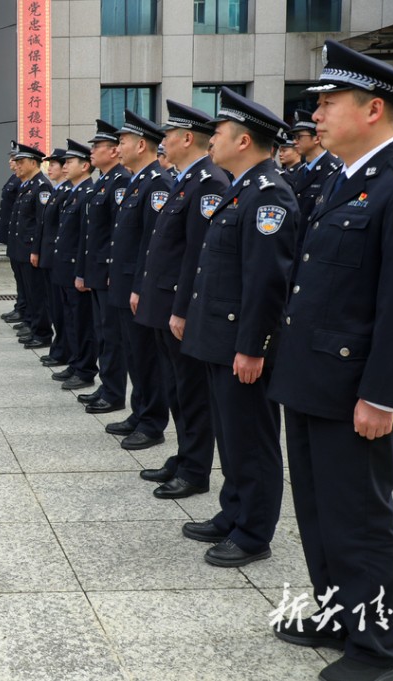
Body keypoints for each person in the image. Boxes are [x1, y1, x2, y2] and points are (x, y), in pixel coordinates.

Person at [268, 41, 393, 681]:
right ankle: (336, 613)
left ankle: (377, 651)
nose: (316, 113)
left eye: (329, 102)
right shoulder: (344, 179)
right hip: (312, 379)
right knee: (318, 511)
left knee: (360, 518)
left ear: (374, 108)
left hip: (356, 392)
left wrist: (382, 395)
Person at [180, 87, 297, 568]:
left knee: (252, 438)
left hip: (241, 345)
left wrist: (253, 347)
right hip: (219, 341)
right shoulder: (241, 188)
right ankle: (233, 512)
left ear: (244, 140)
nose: (211, 143)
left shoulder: (269, 197)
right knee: (230, 435)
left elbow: (267, 283)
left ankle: (253, 532)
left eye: (219, 134)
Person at [134, 100, 227, 499]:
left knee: (190, 391)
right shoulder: (184, 179)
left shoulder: (209, 183)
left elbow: (198, 253)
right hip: (164, 303)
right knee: (175, 387)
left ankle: (195, 468)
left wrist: (182, 308)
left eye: (168, 137)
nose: (162, 145)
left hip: (178, 306)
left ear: (187, 138)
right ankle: (184, 454)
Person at [103, 110, 172, 451]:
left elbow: (153, 243)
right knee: (133, 353)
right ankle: (138, 412)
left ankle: (152, 422)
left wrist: (140, 288)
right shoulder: (137, 181)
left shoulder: (157, 184)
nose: (118, 148)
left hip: (137, 287)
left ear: (141, 145)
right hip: (124, 284)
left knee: (147, 357)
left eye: (123, 142)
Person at [75, 119, 131, 410]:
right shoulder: (104, 182)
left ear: (113, 152)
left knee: (111, 335)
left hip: (108, 272)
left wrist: (109, 270)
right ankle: (106, 387)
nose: (92, 151)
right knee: (102, 333)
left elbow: (116, 233)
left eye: (97, 146)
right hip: (97, 270)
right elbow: (92, 233)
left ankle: (114, 393)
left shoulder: (121, 182)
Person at [50, 140, 97, 389]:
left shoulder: (88, 193)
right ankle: (76, 362)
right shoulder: (74, 192)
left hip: (76, 268)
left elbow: (86, 238)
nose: (64, 166)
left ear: (85, 165)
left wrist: (82, 271)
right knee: (70, 319)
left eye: (69, 162)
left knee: (82, 322)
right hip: (65, 267)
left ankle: (85, 368)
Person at [8, 143, 54, 350]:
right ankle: (33, 326)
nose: (16, 165)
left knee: (37, 293)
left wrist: (35, 249)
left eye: (21, 162)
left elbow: (41, 222)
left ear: (33, 163)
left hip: (30, 250)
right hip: (21, 248)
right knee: (29, 291)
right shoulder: (26, 185)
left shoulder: (42, 186)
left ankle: (42, 332)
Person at [32, 147, 71, 366]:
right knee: (56, 308)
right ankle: (59, 348)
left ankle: (63, 351)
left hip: (58, 259)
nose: (50, 168)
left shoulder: (66, 191)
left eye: (54, 165)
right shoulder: (58, 189)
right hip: (50, 257)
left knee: (62, 310)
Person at [288, 108, 342, 254]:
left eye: (299, 137)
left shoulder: (332, 170)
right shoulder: (301, 171)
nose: (294, 142)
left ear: (317, 138)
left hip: (315, 248)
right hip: (296, 247)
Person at [0, 144, 25, 324]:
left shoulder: (22, 181)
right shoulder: (15, 178)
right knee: (18, 274)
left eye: (14, 159)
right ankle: (21, 306)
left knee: (23, 277)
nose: (10, 162)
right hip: (12, 232)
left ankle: (23, 309)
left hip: (20, 235)